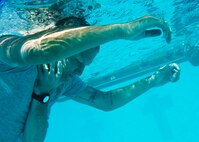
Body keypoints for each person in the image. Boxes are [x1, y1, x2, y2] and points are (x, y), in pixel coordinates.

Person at [0, 11, 174, 142]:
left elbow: (105, 101)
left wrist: (153, 81)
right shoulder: (9, 53)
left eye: (86, 64)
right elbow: (36, 52)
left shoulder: (60, 82)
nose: (80, 71)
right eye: (78, 60)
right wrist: (122, 30)